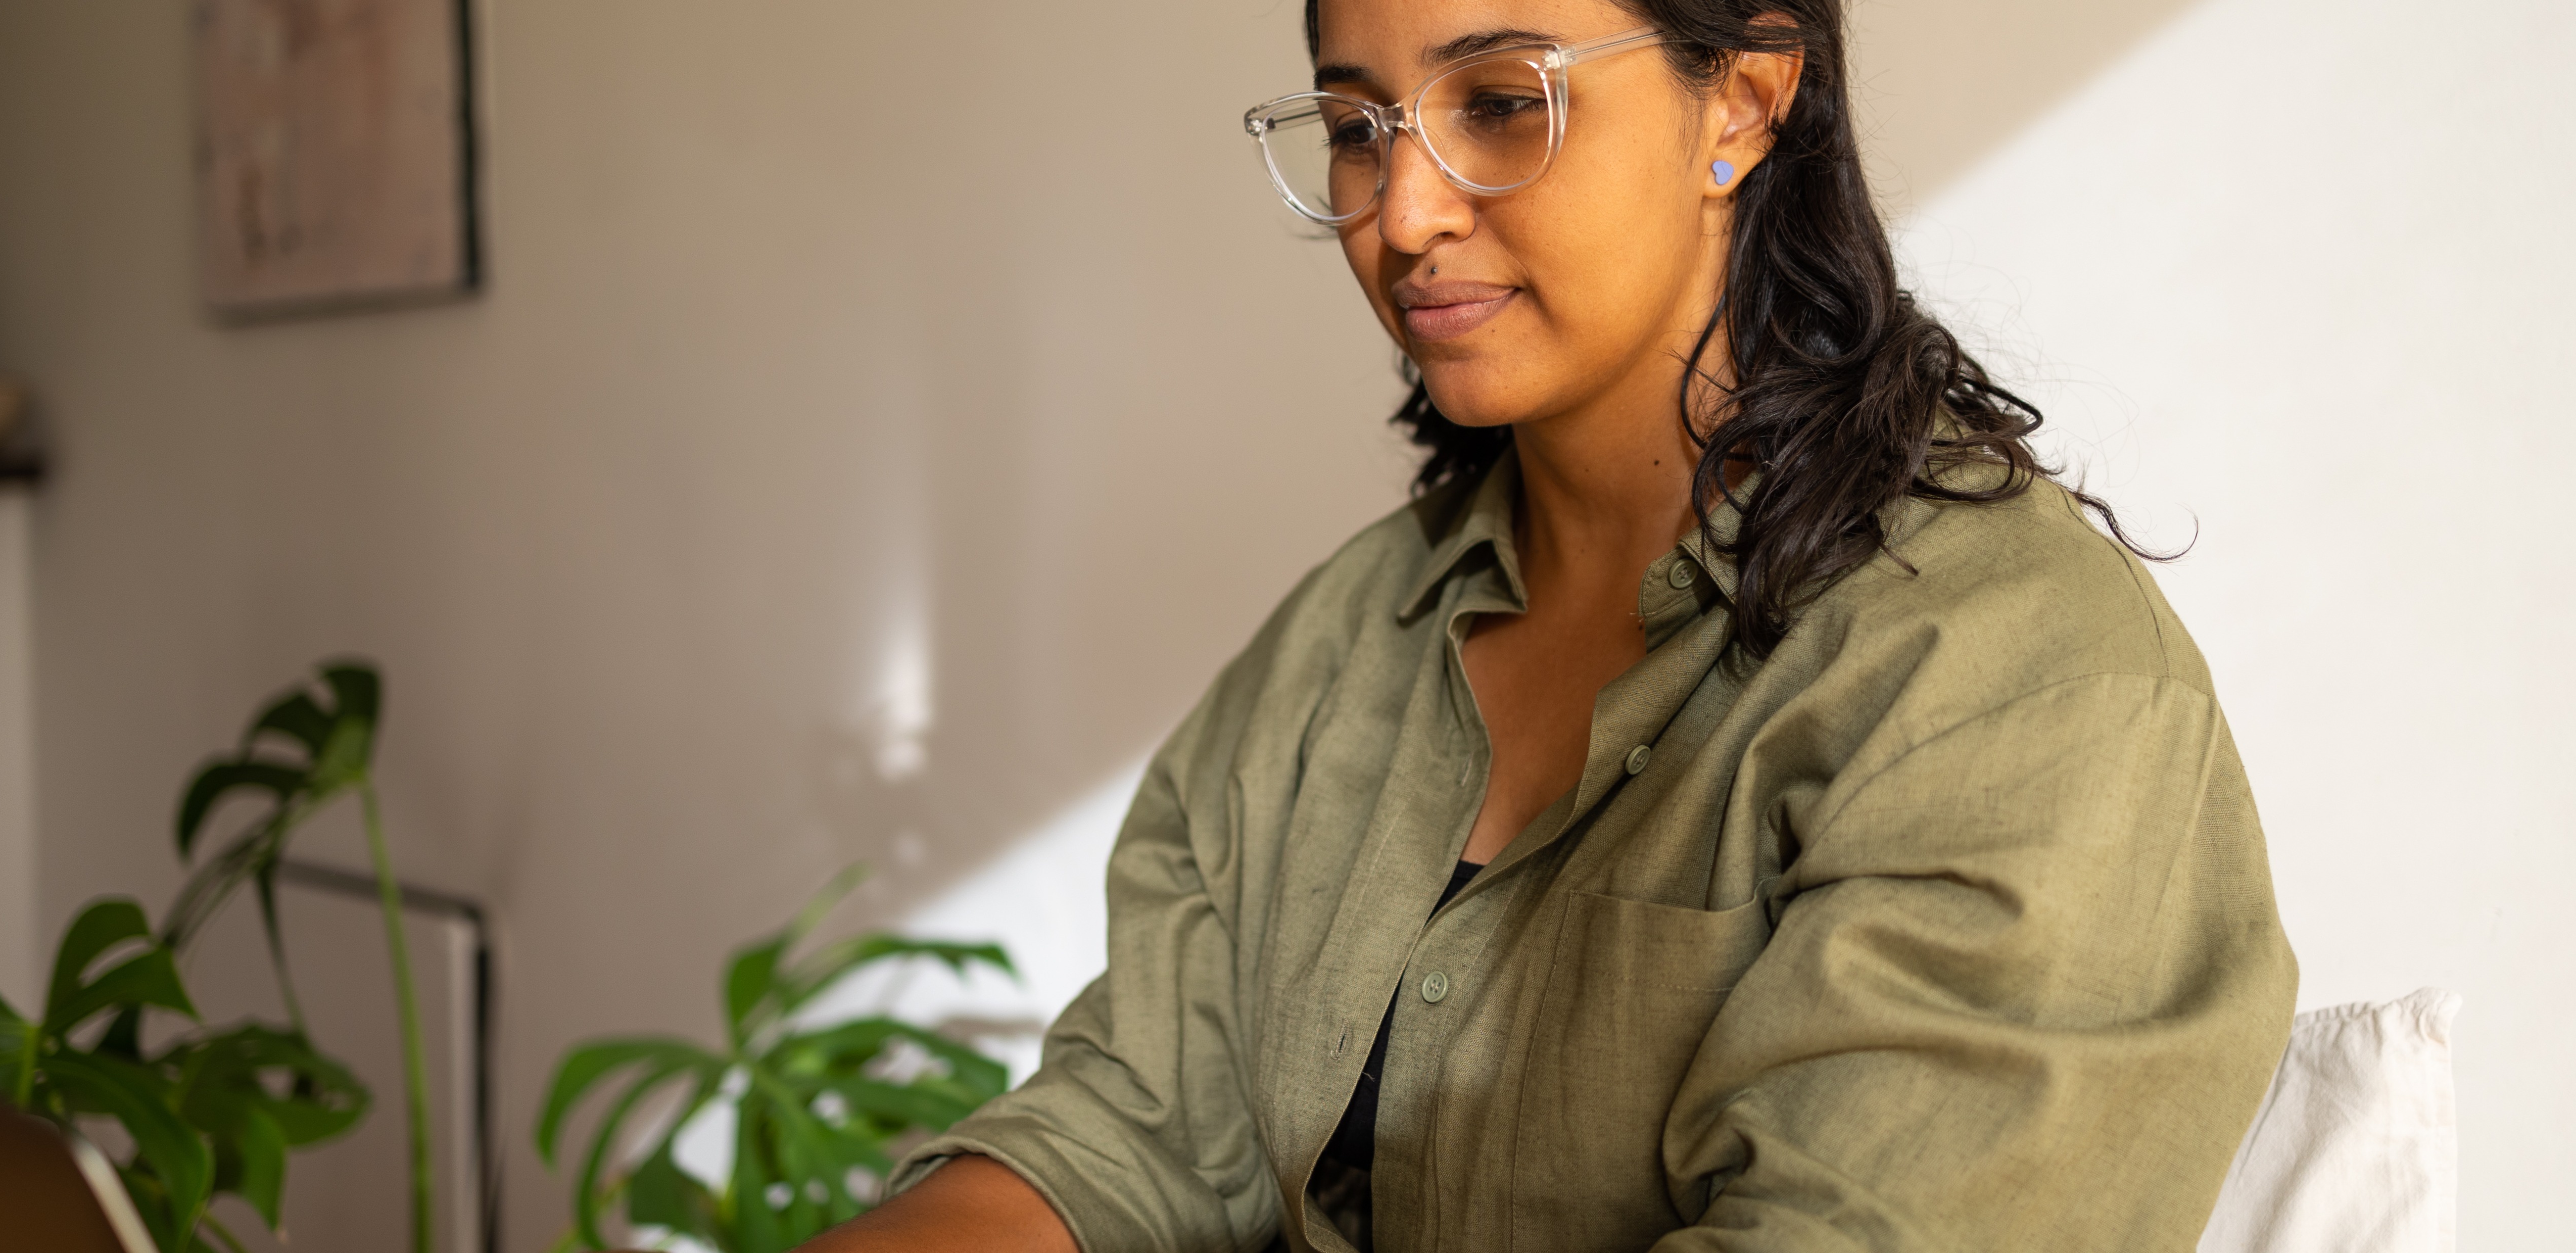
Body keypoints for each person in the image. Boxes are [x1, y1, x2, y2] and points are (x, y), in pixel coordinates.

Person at [808, 0, 2296, 1249]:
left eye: (1504, 104)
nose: (1404, 214)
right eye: (1356, 124)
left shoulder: (2015, 682)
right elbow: (1119, 1134)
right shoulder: (1350, 639)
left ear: (1746, 103)